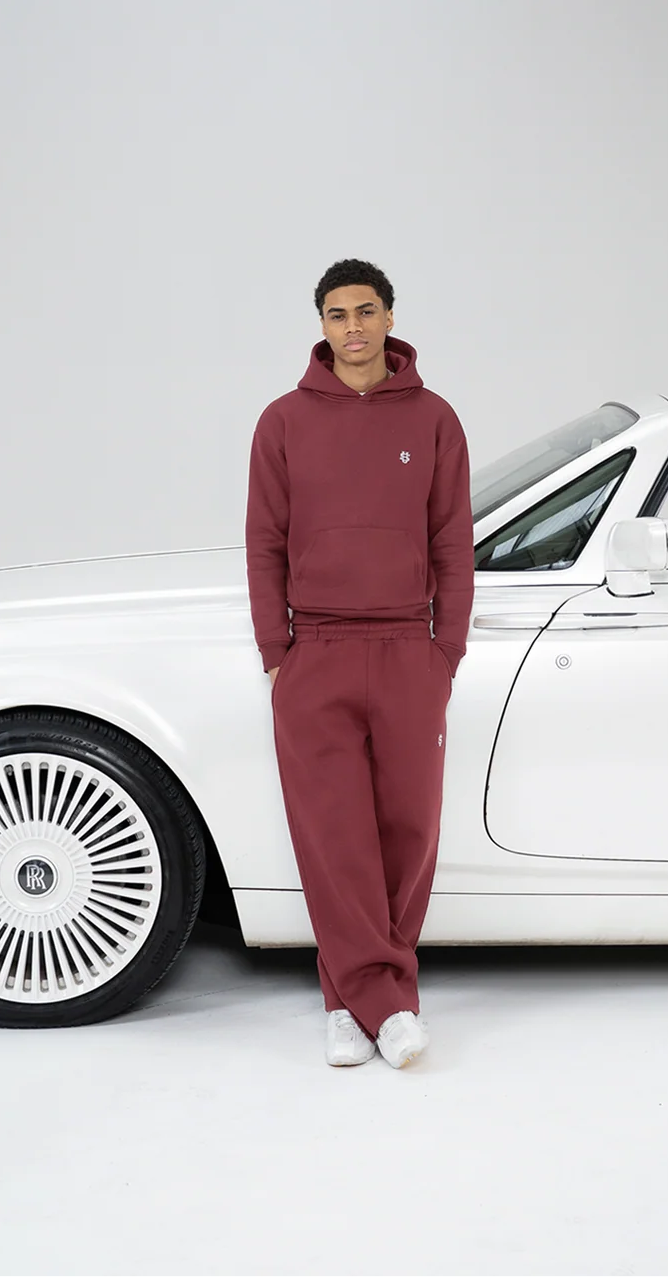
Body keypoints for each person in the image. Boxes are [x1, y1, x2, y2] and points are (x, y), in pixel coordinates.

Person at [244, 259, 473, 1069]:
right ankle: (380, 1005)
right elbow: (264, 542)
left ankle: (354, 999)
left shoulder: (435, 419)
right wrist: (277, 652)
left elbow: (452, 541)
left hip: (410, 648)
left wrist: (446, 651)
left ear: (389, 317)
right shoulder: (282, 421)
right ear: (322, 324)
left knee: (409, 830)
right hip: (318, 650)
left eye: (366, 311)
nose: (353, 326)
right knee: (334, 836)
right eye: (338, 314)